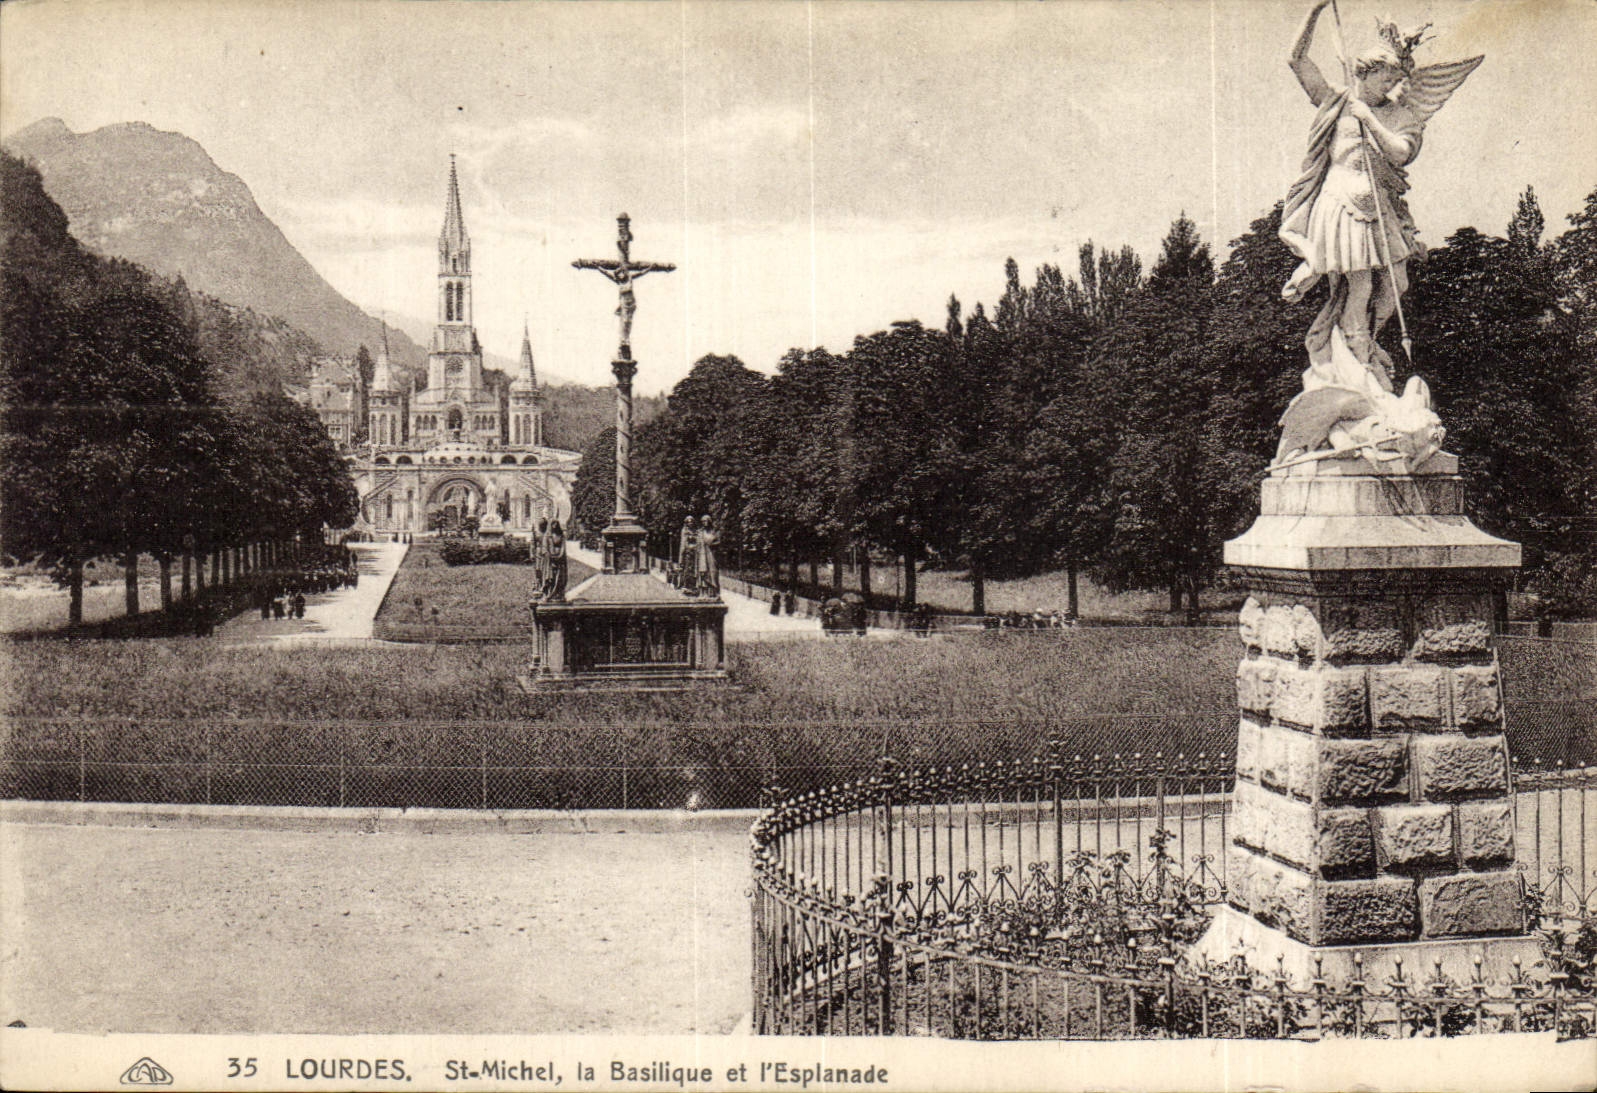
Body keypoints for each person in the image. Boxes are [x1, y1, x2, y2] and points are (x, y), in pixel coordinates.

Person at [1280, 2, 1482, 396]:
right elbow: (1296, 59)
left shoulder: (1398, 114)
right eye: (1384, 79)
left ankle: (1364, 345)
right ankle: (1355, 360)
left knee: (1396, 283)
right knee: (1359, 286)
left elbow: (1401, 153)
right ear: (1366, 72)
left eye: (1394, 81)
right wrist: (1315, 9)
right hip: (1341, 204)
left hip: (1380, 209)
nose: (1389, 87)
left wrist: (1369, 118)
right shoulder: (1334, 100)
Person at [544, 520, 568, 601]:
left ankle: (559, 594)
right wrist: (550, 555)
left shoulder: (561, 535)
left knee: (559, 576)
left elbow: (563, 547)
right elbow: (545, 547)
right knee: (551, 576)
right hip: (551, 559)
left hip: (560, 559)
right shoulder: (548, 535)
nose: (554, 525)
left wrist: (560, 555)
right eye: (553, 524)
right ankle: (550, 594)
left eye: (556, 524)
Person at [696, 514, 719, 598]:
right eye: (703, 521)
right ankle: (703, 592)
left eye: (706, 521)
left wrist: (712, 544)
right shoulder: (700, 532)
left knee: (713, 572)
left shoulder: (714, 531)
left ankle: (714, 592)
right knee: (703, 573)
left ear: (709, 521)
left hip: (711, 554)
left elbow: (718, 542)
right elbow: (697, 543)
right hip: (702, 555)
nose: (704, 523)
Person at [677, 516, 699, 596]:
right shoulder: (684, 531)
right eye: (689, 522)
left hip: (694, 554)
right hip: (687, 553)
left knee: (694, 570)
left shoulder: (696, 531)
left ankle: (693, 586)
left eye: (691, 522)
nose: (690, 523)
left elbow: (698, 541)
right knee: (687, 570)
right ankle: (686, 586)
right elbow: (683, 543)